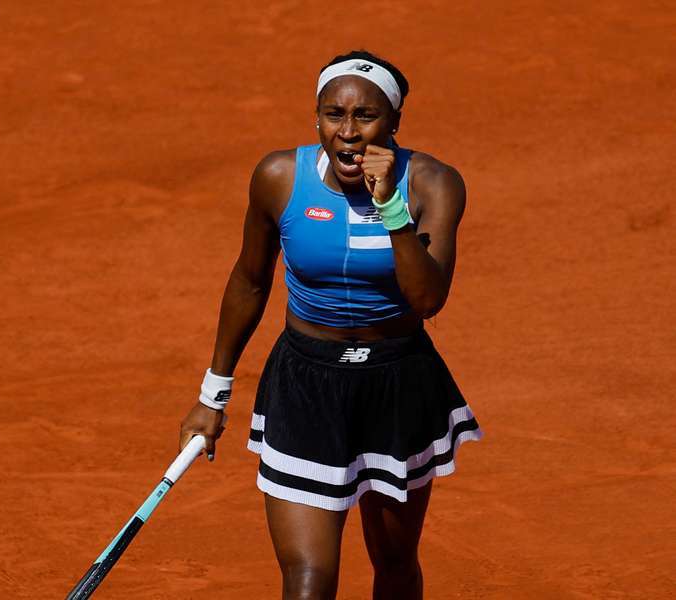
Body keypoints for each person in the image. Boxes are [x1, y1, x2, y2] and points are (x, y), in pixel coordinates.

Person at [179, 50, 483, 600]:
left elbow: (427, 298)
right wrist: (213, 395)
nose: (347, 133)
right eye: (332, 115)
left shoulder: (433, 184)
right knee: (309, 581)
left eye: (365, 116)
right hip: (305, 385)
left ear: (393, 122)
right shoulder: (277, 177)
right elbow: (249, 282)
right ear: (315, 118)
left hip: (396, 385)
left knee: (394, 564)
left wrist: (390, 207)